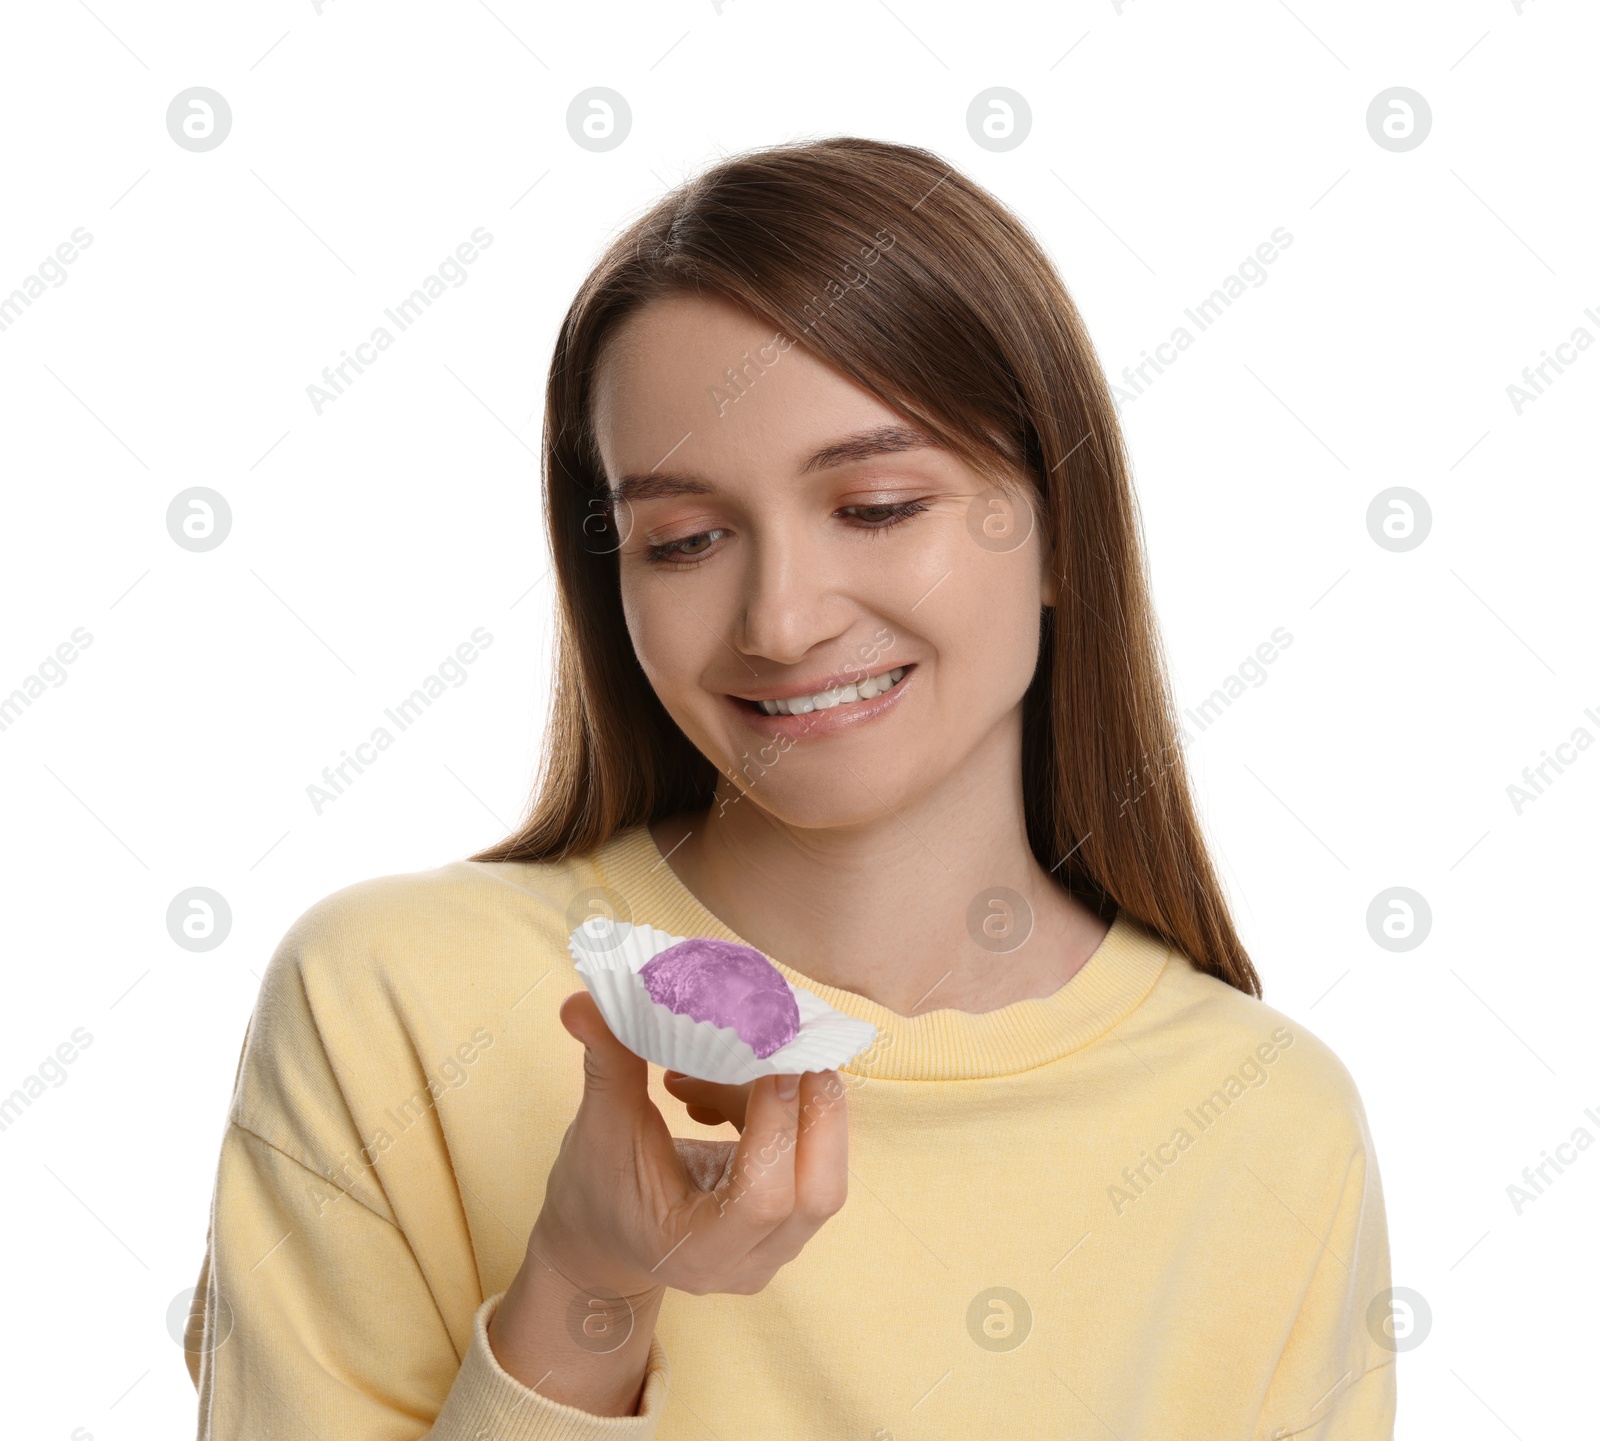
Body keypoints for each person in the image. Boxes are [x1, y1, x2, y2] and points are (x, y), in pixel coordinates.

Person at [187, 136, 1396, 1438]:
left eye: (874, 506)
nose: (781, 617)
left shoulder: (1268, 1124)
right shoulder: (389, 1002)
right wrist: (585, 1290)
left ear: (1055, 521)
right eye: (686, 539)